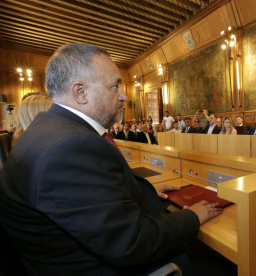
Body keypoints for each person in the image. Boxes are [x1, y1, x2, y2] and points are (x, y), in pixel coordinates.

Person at [0, 43, 221, 275]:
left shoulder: (46, 129)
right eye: (115, 86)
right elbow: (131, 242)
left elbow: (86, 203)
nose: (124, 96)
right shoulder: (72, 146)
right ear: (80, 92)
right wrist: (192, 216)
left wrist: (137, 191)